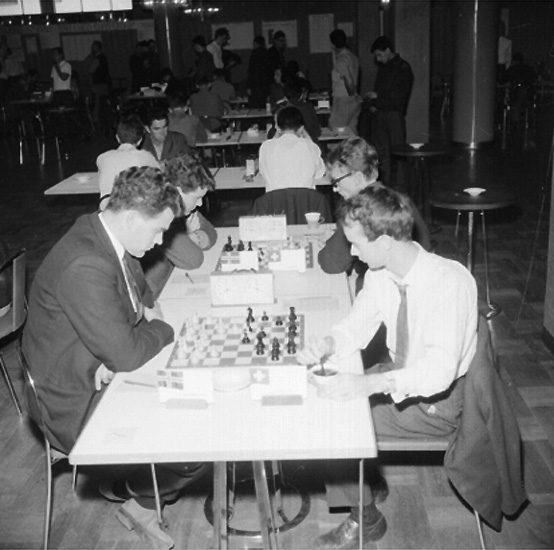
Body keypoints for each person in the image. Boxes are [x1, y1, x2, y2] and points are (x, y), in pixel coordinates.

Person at [22, 166, 206, 549]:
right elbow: (128, 350)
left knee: (198, 394)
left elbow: (140, 300)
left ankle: (140, 489)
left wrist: (124, 342)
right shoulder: (86, 262)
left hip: (92, 367)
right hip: (72, 398)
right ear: (132, 217)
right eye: (158, 230)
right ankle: (133, 493)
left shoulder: (107, 234)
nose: (161, 241)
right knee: (197, 436)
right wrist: (161, 329)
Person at [299, 184, 478, 549]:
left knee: (334, 423)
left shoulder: (449, 282)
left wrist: (368, 385)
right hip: (398, 373)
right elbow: (356, 326)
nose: (352, 251)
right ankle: (361, 480)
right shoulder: (381, 273)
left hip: (437, 401)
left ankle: (365, 519)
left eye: (356, 243)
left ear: (383, 243)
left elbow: (438, 373)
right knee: (323, 394)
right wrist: (330, 342)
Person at [318, 137, 431, 295]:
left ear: (357, 178)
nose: (335, 189)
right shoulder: (396, 198)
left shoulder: (361, 210)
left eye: (336, 182)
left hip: (383, 291)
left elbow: (330, 263)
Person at [141, 153, 217, 298]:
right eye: (197, 198)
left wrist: (193, 238)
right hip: (151, 296)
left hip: (168, 284)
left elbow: (210, 231)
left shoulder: (182, 208)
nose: (200, 203)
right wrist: (188, 239)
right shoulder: (160, 214)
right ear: (178, 191)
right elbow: (194, 259)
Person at [367, 36, 414, 187]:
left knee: (398, 153)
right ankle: (384, 185)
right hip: (380, 113)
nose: (378, 59)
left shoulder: (403, 67)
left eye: (379, 55)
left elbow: (400, 95)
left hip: (394, 114)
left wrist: (378, 97)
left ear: (388, 50)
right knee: (382, 153)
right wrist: (374, 104)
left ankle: (401, 186)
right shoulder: (384, 67)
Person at [96, 114, 159, 208]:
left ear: (117, 138)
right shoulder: (146, 157)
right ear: (140, 140)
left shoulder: (102, 158)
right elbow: (160, 179)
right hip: (134, 209)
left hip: (106, 209)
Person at [259, 105, 325, 192]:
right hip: (305, 200)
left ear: (277, 127)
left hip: (276, 200)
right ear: (301, 128)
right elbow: (320, 174)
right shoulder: (311, 147)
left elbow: (263, 174)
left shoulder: (265, 147)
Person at [329, 29, 361, 134]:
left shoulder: (342, 60)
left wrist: (351, 93)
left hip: (343, 100)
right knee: (351, 133)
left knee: (336, 133)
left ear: (332, 44)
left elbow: (348, 79)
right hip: (354, 101)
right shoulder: (353, 57)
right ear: (346, 40)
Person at [86, 40, 111, 125]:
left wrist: (91, 84)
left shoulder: (97, 59)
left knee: (97, 103)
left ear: (96, 48)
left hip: (98, 85)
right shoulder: (104, 58)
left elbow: (90, 71)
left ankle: (96, 120)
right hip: (104, 84)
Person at [247, 35, 272, 108]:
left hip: (255, 85)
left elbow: (251, 71)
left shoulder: (254, 53)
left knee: (255, 106)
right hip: (265, 84)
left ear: (255, 43)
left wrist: (249, 86)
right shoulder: (267, 53)